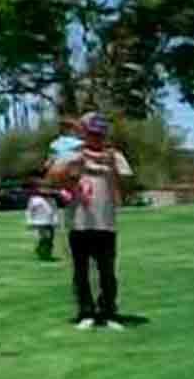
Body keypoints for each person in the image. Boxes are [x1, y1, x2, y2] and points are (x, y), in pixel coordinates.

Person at [46, 112, 134, 331]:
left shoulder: (114, 155)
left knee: (107, 271)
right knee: (81, 271)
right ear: (84, 133)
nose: (97, 138)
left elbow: (127, 182)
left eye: (100, 134)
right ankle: (86, 312)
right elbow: (51, 177)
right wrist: (72, 167)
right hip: (79, 222)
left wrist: (110, 164)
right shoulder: (72, 154)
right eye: (92, 133)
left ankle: (109, 312)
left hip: (106, 222)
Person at [25, 180, 59, 261]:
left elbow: (54, 211)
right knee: (44, 238)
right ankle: (43, 252)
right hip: (39, 223)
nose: (48, 191)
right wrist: (29, 221)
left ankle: (45, 252)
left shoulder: (52, 200)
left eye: (50, 189)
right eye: (45, 189)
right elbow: (29, 211)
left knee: (50, 239)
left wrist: (56, 220)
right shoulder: (35, 200)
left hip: (49, 222)